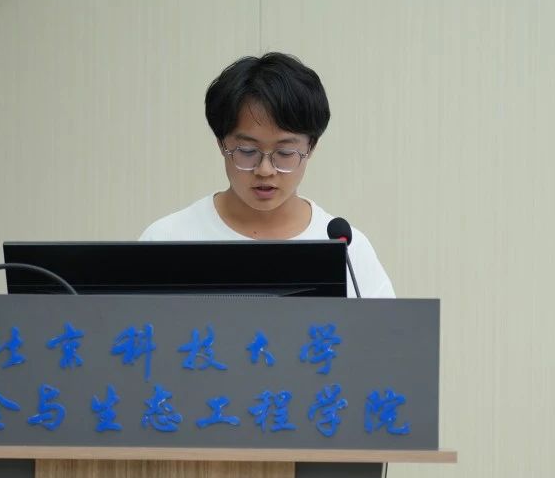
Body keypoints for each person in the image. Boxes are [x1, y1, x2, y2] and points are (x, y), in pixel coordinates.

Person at [139, 53, 395, 298]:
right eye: (247, 151)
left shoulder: (346, 249)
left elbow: (384, 328)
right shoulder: (167, 239)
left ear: (311, 147)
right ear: (221, 144)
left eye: (285, 153)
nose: (265, 170)